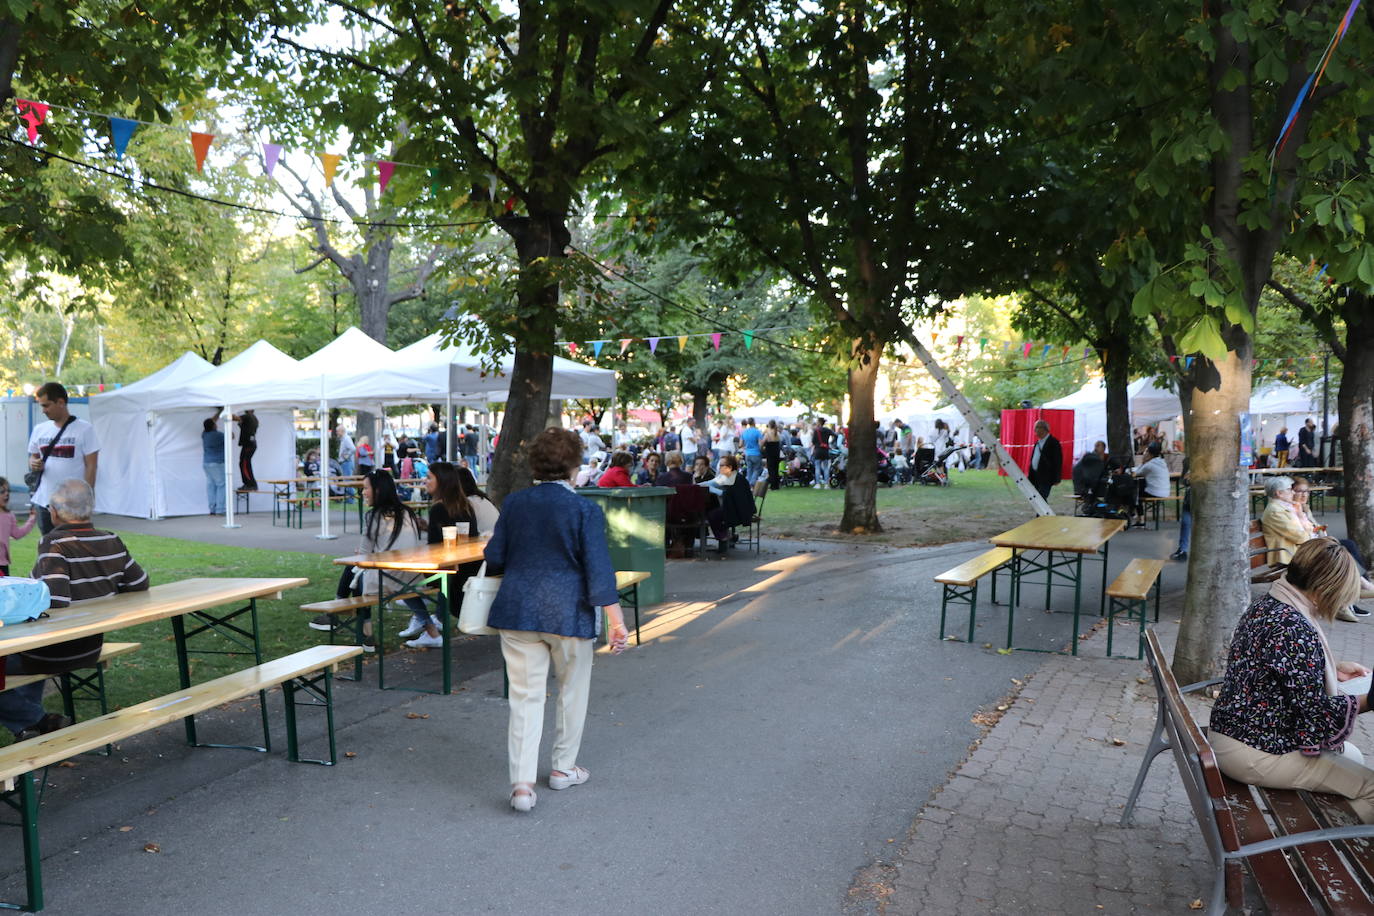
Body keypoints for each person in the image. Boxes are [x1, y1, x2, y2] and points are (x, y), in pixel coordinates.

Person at [483, 428, 629, 813]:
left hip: (517, 610)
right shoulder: (584, 510)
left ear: (534, 463)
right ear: (575, 465)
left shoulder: (514, 504)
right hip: (569, 611)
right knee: (572, 690)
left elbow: (495, 556)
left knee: (524, 697)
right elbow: (599, 571)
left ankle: (521, 786)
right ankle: (563, 769)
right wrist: (617, 621)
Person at [1208, 538, 1374, 821]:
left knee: (1353, 756)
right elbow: (1315, 714)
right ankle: (1320, 848)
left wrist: (1332, 670)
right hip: (1255, 751)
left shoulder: (1271, 603)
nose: (1344, 601)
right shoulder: (1292, 626)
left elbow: (1279, 670)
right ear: (1323, 589)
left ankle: (1317, 830)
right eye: (1342, 594)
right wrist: (1367, 701)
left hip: (1237, 732)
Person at [0, 480, 147, 742]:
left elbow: (55, 599)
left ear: (54, 512)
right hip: (91, 646)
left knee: (11, 658)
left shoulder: (54, 542)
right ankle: (31, 727)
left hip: (56, 648)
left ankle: (36, 721)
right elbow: (139, 583)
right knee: (20, 657)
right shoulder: (111, 539)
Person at [310, 471, 426, 650]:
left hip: (389, 579)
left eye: (365, 488)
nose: (362, 492)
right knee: (360, 570)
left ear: (378, 490)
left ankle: (355, 626)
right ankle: (365, 634)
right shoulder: (407, 512)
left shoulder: (374, 517)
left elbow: (363, 554)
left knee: (355, 568)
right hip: (411, 576)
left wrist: (363, 555)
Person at [1261, 475, 1373, 621]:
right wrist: (1306, 524)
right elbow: (1300, 536)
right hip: (1291, 554)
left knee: (1343, 546)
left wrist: (1305, 521)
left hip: (1301, 548)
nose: (1293, 493)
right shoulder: (1275, 511)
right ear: (1279, 493)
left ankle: (1353, 591)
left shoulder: (1287, 507)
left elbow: (1308, 530)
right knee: (1335, 552)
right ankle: (1352, 593)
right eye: (1290, 490)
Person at [399, 461, 479, 649]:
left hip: (448, 572)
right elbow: (461, 536)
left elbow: (435, 548)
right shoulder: (465, 504)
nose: (425, 481)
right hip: (468, 569)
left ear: (441, 481)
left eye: (429, 477)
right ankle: (433, 615)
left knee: (400, 578)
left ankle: (428, 623)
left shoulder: (438, 508)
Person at [27, 382, 99, 534]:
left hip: (72, 504)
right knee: (49, 547)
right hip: (45, 502)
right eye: (41, 406)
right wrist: (34, 463)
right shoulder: (40, 430)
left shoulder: (85, 429)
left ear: (61, 402)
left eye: (46, 406)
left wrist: (86, 499)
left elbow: (91, 466)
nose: (43, 411)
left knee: (73, 548)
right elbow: (33, 457)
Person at [701, 454, 756, 555]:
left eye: (722, 465)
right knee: (713, 512)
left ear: (730, 467)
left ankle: (724, 538)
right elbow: (710, 483)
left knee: (713, 515)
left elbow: (732, 497)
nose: (719, 467)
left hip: (740, 510)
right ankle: (727, 536)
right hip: (732, 507)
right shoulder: (727, 477)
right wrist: (695, 486)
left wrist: (712, 490)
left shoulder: (737, 479)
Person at [1128, 441, 1170, 527]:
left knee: (1135, 493)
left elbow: (1136, 473)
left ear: (1150, 454)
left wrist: (1143, 462)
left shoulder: (1149, 465)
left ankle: (1140, 519)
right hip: (1165, 492)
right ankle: (1136, 515)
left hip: (1155, 493)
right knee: (1140, 485)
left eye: (1146, 452)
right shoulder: (1162, 462)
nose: (1144, 453)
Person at [0, 477, 35, 575]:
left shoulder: (9, 515)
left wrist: (31, 519)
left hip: (3, 564)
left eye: (8, 491)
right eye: (2, 491)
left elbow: (17, 534)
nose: (6, 494)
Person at [1026, 419, 1062, 502]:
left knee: (1041, 498)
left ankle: (1043, 514)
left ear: (1045, 429)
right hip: (1035, 476)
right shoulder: (1037, 443)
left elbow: (1057, 461)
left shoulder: (1053, 442)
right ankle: (1042, 514)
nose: (1036, 430)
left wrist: (1057, 478)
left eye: (1038, 427)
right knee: (1036, 498)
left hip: (1046, 476)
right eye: (1035, 428)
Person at [202, 416, 226, 515]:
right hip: (217, 463)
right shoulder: (219, 435)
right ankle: (220, 510)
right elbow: (232, 436)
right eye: (215, 424)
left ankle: (212, 509)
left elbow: (209, 424)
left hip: (206, 463)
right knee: (222, 485)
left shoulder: (204, 434)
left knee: (211, 486)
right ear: (213, 426)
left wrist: (219, 413)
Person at [232, 408, 259, 491]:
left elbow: (233, 418)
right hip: (250, 444)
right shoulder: (254, 418)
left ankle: (250, 484)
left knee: (244, 464)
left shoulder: (248, 416)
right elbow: (243, 426)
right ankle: (250, 484)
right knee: (245, 463)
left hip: (248, 444)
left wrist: (227, 410)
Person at [1171, 458, 1192, 561]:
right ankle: (1182, 550)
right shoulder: (1188, 461)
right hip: (1191, 497)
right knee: (1186, 522)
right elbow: (1184, 481)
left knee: (1186, 522)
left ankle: (1183, 550)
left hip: (1204, 498)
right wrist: (1187, 479)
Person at [812, 417, 835, 489]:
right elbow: (835, 435)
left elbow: (813, 441)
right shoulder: (828, 430)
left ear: (819, 422)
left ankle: (818, 484)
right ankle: (826, 484)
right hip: (825, 450)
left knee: (817, 467)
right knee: (826, 467)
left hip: (818, 450)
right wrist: (830, 443)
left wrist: (817, 444)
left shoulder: (816, 431)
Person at [740, 418, 763, 485]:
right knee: (756, 469)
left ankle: (747, 484)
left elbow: (740, 444)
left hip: (747, 453)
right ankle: (752, 483)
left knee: (749, 470)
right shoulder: (757, 432)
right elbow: (760, 444)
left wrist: (745, 447)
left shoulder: (744, 432)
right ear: (754, 422)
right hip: (756, 453)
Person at [762, 420, 782, 491]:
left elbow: (763, 441)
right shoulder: (778, 433)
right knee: (776, 468)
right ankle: (776, 485)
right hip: (776, 451)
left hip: (770, 451)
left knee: (771, 468)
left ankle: (773, 486)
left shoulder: (768, 432)